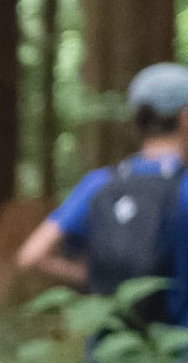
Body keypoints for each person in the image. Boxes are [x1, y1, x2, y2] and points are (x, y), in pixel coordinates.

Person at [15, 64, 188, 318]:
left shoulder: (99, 183)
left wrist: (95, 275)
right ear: (184, 117)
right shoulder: (183, 187)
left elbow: (30, 256)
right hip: (176, 349)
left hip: (108, 348)